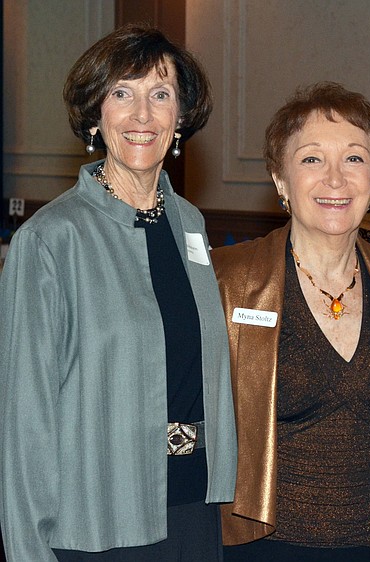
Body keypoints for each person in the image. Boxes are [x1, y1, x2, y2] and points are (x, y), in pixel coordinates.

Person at [0, 24, 237, 561]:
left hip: (193, 510)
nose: (142, 115)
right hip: (99, 520)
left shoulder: (191, 224)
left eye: (160, 94)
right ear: (95, 115)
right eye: (122, 94)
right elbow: (24, 425)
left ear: (180, 117)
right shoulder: (51, 238)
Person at [212, 82, 370, 561]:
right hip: (263, 546)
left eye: (354, 158)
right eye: (311, 159)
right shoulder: (227, 280)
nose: (335, 178)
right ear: (280, 180)